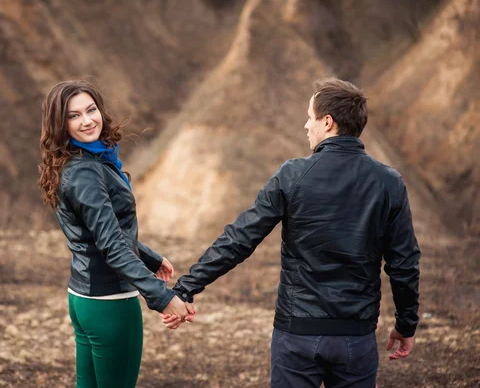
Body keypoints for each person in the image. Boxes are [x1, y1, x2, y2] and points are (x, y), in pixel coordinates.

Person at [164, 78, 421, 387]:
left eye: (310, 117)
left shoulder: (292, 175)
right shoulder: (389, 182)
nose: (305, 125)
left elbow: (240, 239)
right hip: (356, 338)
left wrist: (186, 287)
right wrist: (406, 326)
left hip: (296, 336)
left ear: (328, 122)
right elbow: (404, 264)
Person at [39, 79, 194, 388]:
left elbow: (98, 232)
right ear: (60, 124)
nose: (86, 120)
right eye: (74, 115)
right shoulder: (86, 171)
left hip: (84, 297)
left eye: (91, 109)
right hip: (110, 302)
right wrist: (163, 297)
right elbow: (110, 245)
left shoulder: (80, 160)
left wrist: (149, 257)